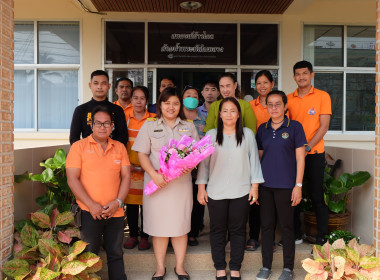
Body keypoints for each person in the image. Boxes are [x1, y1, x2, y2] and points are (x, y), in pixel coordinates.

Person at [132, 87, 199, 280]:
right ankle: (160, 268)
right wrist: (153, 174)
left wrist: (190, 166)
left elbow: (195, 155)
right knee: (159, 228)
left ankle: (180, 267)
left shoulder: (189, 127)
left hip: (180, 186)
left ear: (181, 105)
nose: (171, 107)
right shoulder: (149, 126)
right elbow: (141, 154)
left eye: (175, 103)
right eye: (167, 103)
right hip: (157, 184)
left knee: (180, 226)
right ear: (160, 105)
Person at [197, 97, 264, 280]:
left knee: (238, 230)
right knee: (217, 230)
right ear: (219, 114)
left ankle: (235, 267)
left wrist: (255, 187)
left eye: (233, 110)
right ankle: (219, 267)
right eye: (225, 110)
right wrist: (201, 188)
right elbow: (204, 164)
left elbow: (254, 162)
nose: (229, 114)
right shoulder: (210, 135)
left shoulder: (248, 134)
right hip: (215, 191)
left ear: (239, 114)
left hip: (241, 190)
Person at [66, 105, 131, 280]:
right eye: (98, 123)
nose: (102, 127)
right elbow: (72, 179)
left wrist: (118, 202)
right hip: (88, 212)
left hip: (115, 211)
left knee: (116, 253)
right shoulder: (78, 147)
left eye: (106, 123)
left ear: (112, 126)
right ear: (91, 125)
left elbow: (126, 177)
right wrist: (91, 205)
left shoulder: (119, 148)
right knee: (88, 256)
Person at [255, 91, 306, 280]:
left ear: (285, 106)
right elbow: (259, 158)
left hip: (287, 186)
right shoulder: (262, 129)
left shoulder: (295, 127)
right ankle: (266, 266)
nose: (274, 108)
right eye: (270, 104)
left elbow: (301, 159)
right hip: (265, 186)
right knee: (266, 227)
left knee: (287, 227)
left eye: (278, 104)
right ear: (266, 106)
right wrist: (255, 185)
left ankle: (288, 269)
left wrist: (298, 185)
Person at [287, 61, 332, 246]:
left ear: (312, 75)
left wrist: (306, 148)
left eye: (305, 73)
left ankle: (322, 236)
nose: (301, 77)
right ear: (294, 77)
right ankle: (296, 235)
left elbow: (324, 127)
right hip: (293, 155)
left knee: (316, 195)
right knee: (293, 195)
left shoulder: (322, 96)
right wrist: (296, 151)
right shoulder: (288, 99)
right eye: (298, 74)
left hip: (314, 153)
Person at [123, 86, 156, 251]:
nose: (138, 101)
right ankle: (133, 235)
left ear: (147, 101)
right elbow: (120, 143)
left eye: (142, 98)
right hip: (129, 170)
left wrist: (149, 166)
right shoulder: (124, 117)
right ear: (131, 99)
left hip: (148, 170)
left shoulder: (154, 119)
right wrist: (126, 165)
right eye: (135, 97)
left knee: (148, 205)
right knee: (132, 205)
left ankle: (145, 236)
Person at [246, 70, 275, 252]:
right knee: (254, 199)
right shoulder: (249, 106)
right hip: (254, 156)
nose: (262, 86)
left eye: (265, 82)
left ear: (272, 84)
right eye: (259, 83)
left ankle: (269, 238)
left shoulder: (277, 104)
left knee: (270, 200)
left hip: (274, 157)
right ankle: (253, 237)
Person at [69, 70, 128, 145]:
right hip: (88, 154)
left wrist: (109, 150)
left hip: (112, 154)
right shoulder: (80, 110)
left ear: (109, 86)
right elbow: (74, 138)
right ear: (90, 85)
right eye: (96, 83)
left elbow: (123, 137)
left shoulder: (118, 110)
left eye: (103, 83)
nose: (99, 87)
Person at [182, 85, 206, 247]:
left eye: (195, 95)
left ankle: (193, 233)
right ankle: (179, 232)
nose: (192, 97)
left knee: (198, 203)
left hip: (199, 169)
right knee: (181, 202)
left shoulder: (205, 118)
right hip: (179, 171)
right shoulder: (176, 116)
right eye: (188, 95)